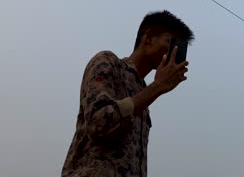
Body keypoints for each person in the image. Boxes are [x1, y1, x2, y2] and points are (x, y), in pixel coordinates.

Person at [62, 10, 194, 177]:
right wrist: (157, 87)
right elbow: (99, 122)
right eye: (170, 43)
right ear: (149, 37)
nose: (173, 54)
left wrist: (153, 89)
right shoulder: (108, 62)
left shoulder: (144, 94)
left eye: (178, 48)